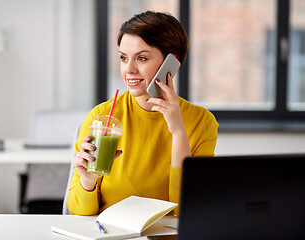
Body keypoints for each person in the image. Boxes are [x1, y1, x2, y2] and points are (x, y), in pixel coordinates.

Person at [67, 10, 218, 216]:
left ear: (170, 63)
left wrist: (178, 133)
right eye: (123, 58)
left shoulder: (202, 122)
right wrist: (88, 181)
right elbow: (78, 211)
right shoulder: (102, 117)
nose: (129, 69)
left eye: (142, 58)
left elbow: (186, 210)